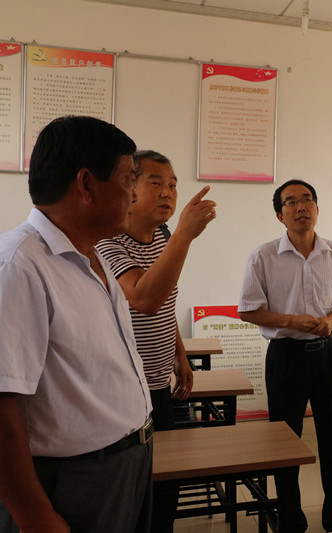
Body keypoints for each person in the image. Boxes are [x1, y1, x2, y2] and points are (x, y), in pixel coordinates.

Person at [0, 116, 153, 533]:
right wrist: (36, 518)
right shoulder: (19, 266)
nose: (135, 193)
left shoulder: (93, 255)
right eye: (129, 178)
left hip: (126, 463)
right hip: (71, 482)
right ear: (87, 184)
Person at [96, 149, 216, 532]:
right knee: (133, 493)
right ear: (129, 189)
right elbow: (143, 298)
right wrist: (184, 235)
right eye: (156, 183)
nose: (168, 192)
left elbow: (165, 301)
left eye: (173, 185)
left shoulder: (163, 236)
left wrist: (180, 354)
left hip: (158, 385)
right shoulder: (108, 243)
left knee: (166, 487)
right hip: (123, 393)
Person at [238, 179, 332, 533]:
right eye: (291, 202)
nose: (301, 206)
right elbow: (248, 310)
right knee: (285, 442)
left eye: (307, 199)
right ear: (280, 215)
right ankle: (290, 520)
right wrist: (291, 321)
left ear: (317, 209)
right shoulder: (263, 256)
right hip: (286, 357)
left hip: (328, 355)